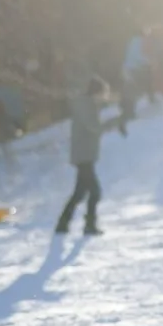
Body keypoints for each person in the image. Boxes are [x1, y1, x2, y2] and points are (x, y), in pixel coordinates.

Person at [56, 76, 114, 235]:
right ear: (96, 92)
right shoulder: (86, 105)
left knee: (79, 193)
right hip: (84, 156)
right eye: (103, 93)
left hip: (85, 155)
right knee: (95, 192)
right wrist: (110, 124)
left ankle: (63, 223)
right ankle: (89, 225)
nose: (104, 97)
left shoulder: (87, 104)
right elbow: (93, 127)